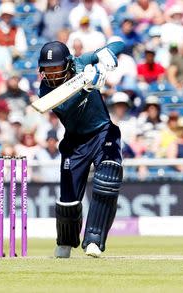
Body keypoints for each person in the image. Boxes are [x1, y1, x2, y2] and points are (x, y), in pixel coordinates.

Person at [37, 40, 125, 258]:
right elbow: (65, 107)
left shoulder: (81, 62)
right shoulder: (45, 90)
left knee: (108, 177)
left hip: (103, 132)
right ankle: (65, 243)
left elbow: (119, 44)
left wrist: (107, 55)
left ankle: (94, 240)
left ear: (68, 64)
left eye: (56, 68)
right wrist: (85, 87)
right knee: (68, 200)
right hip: (75, 141)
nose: (53, 74)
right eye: (47, 69)